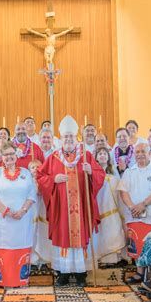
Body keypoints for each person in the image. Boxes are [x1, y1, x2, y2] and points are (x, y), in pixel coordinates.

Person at [37, 115, 105, 287]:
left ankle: (81, 274)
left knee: (80, 236)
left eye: (71, 136)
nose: (68, 139)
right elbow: (40, 175)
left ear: (76, 138)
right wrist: (53, 179)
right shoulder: (54, 157)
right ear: (61, 138)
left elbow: (100, 175)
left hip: (81, 207)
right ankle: (63, 274)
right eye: (65, 136)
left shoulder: (85, 155)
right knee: (63, 236)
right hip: (61, 208)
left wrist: (91, 172)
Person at [0, 141, 37, 287]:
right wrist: (7, 211)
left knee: (21, 244)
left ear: (16, 155)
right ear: (1, 157)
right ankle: (3, 280)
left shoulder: (26, 173)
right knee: (4, 246)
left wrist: (22, 211)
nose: (9, 157)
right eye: (5, 154)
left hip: (22, 219)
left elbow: (31, 195)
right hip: (2, 220)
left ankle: (20, 280)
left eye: (11, 153)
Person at [117, 143, 151, 283]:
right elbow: (123, 191)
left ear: (149, 153)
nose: (139, 154)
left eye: (143, 151)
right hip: (134, 215)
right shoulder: (129, 172)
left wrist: (143, 204)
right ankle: (139, 273)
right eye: (137, 152)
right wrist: (132, 206)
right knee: (136, 244)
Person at [94, 147, 126, 265]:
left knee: (113, 232)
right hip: (98, 210)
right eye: (100, 154)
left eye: (104, 154)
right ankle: (100, 257)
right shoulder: (92, 174)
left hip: (112, 210)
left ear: (108, 157)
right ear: (96, 157)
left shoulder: (113, 177)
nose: (102, 155)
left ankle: (113, 259)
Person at [29, 160, 51, 270]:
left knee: (42, 234)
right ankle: (32, 261)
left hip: (42, 210)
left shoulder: (44, 181)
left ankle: (43, 260)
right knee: (32, 235)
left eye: (38, 167)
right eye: (33, 167)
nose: (35, 169)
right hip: (32, 212)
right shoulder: (27, 182)